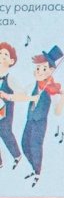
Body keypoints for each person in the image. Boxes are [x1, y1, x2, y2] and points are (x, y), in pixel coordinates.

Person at [21, 45, 64, 186]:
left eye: (43, 69)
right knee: (24, 144)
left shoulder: (51, 89)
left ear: (51, 71)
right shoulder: (34, 85)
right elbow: (22, 94)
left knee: (35, 146)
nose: (39, 71)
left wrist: (62, 98)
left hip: (39, 122)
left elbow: (57, 111)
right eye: (38, 68)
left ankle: (38, 173)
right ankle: (34, 168)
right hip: (29, 119)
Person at [0, 41, 28, 169]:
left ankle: (17, 155)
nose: (1, 56)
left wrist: (8, 96)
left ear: (11, 61)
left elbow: (22, 93)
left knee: (5, 132)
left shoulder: (10, 78)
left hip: (6, 111)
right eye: (0, 53)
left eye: (5, 54)